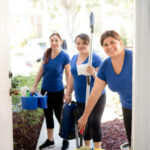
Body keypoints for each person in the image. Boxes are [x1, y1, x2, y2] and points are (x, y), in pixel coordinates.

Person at [78, 30, 132, 149]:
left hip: (145, 107)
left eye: (112, 42)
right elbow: (96, 92)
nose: (109, 47)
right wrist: (85, 116)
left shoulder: (134, 58)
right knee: (133, 142)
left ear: (120, 42)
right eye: (105, 44)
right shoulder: (105, 66)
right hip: (128, 107)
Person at [65, 33, 106, 149]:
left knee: (94, 121)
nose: (81, 45)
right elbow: (71, 77)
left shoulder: (95, 58)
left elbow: (102, 80)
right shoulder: (74, 58)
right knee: (84, 122)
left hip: (96, 97)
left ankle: (97, 148)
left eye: (84, 43)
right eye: (78, 43)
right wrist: (68, 93)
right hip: (80, 98)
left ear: (89, 44)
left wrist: (93, 73)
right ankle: (87, 147)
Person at [31, 33, 70, 150]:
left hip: (58, 91)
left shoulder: (64, 56)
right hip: (44, 92)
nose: (54, 43)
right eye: (52, 40)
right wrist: (34, 85)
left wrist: (67, 92)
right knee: (48, 116)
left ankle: (65, 139)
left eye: (56, 40)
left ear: (60, 42)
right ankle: (50, 140)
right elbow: (40, 71)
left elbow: (69, 75)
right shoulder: (47, 54)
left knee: (60, 117)